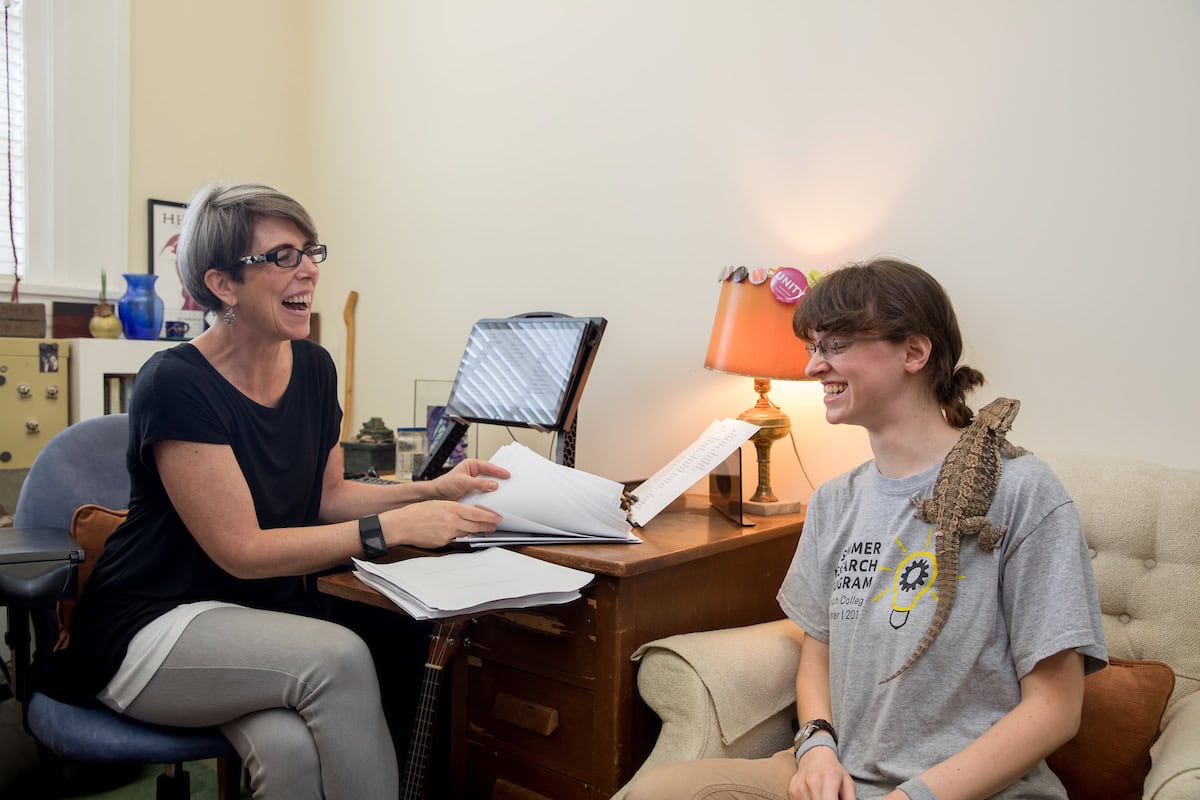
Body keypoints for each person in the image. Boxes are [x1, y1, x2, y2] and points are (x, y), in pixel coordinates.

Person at [53, 182, 510, 800]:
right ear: (223, 285)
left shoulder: (315, 368)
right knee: (340, 657)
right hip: (152, 623)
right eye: (282, 257)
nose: (309, 271)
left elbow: (327, 497)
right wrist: (388, 531)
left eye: (310, 252)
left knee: (290, 753)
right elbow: (240, 549)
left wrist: (428, 491)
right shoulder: (175, 382)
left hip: (253, 623)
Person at [625, 258, 1107, 800]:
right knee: (655, 792)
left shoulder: (1024, 491)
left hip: (971, 790)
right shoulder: (834, 501)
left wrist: (913, 796)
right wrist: (817, 748)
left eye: (835, 346)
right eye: (813, 348)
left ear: (913, 352)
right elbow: (818, 650)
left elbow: (1055, 709)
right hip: (836, 778)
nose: (813, 367)